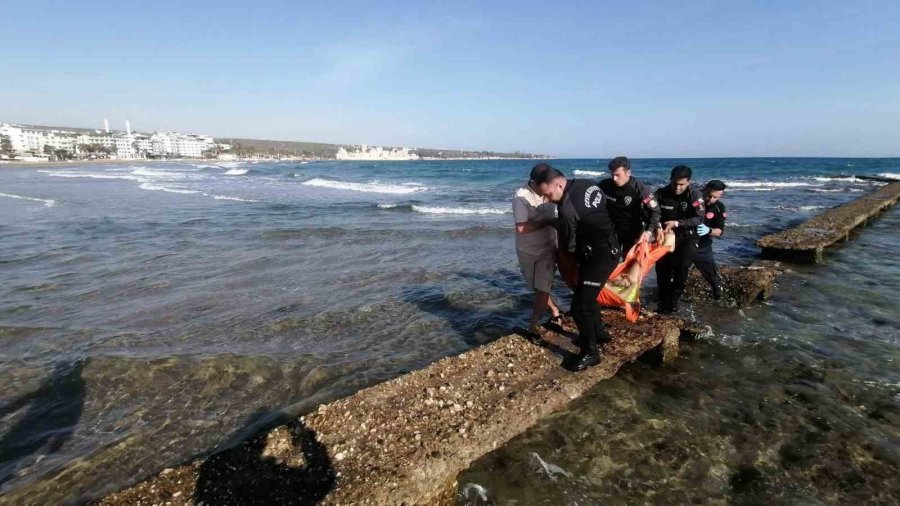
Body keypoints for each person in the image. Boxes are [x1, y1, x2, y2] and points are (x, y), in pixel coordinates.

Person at [537, 168, 620, 371]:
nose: (547, 200)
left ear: (559, 184)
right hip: (610, 244)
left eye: (547, 195)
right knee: (588, 296)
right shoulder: (586, 184)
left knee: (579, 307)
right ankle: (600, 334)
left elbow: (569, 247)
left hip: (600, 255)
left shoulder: (567, 209)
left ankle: (590, 352)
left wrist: (564, 260)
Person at [513, 163, 562, 334]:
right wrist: (548, 222)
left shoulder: (552, 189)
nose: (548, 187)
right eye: (545, 184)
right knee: (537, 287)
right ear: (534, 183)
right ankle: (555, 311)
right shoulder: (521, 197)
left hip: (548, 248)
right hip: (527, 249)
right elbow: (521, 228)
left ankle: (533, 325)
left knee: (543, 287)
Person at [654, 165, 707, 314]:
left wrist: (678, 223)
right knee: (663, 269)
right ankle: (663, 302)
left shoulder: (695, 195)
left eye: (681, 185)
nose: (677, 188)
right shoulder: (660, 193)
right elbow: (652, 212)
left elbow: (699, 218)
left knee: (682, 267)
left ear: (688, 182)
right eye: (674, 184)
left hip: (688, 236)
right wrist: (657, 226)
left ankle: (674, 299)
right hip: (665, 235)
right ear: (670, 180)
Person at [599, 156, 661, 259]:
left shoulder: (640, 189)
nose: (614, 179)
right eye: (612, 175)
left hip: (632, 231)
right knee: (609, 262)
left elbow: (655, 211)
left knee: (630, 262)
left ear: (628, 173)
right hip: (611, 230)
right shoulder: (604, 185)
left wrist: (649, 231)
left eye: (618, 175)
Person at [693, 180, 728, 299]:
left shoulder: (718, 207)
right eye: (709, 195)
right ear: (704, 189)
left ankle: (719, 299)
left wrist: (708, 230)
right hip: (684, 244)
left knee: (713, 279)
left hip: (703, 247)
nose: (711, 199)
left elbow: (719, 231)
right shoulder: (692, 199)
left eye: (715, 197)